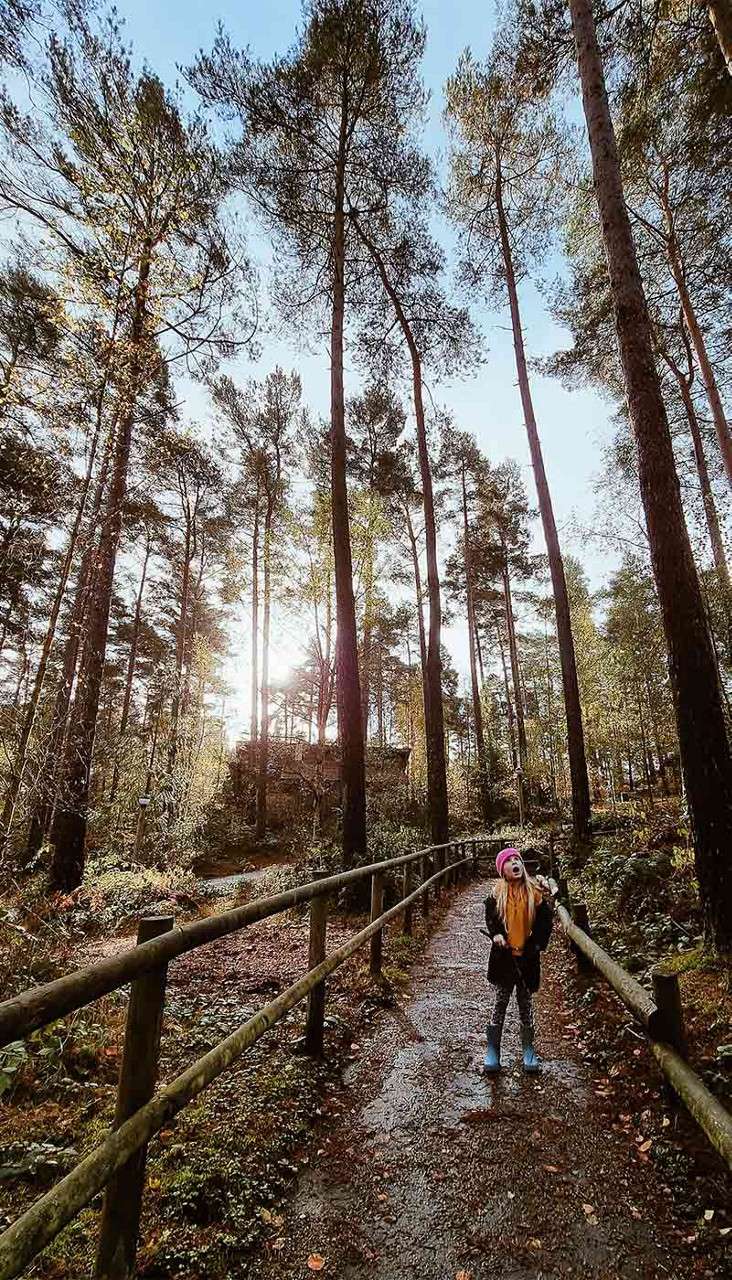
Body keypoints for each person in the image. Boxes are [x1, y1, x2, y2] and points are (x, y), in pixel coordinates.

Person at [483, 847, 554, 1074]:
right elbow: (492, 917)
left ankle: (528, 1049)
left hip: (526, 959)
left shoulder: (533, 892)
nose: (515, 863)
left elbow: (545, 921)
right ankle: (493, 1049)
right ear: (502, 870)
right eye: (509, 861)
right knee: (501, 1002)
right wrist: (496, 935)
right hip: (505, 959)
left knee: (525, 1004)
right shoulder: (497, 893)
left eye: (517, 859)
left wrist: (536, 944)